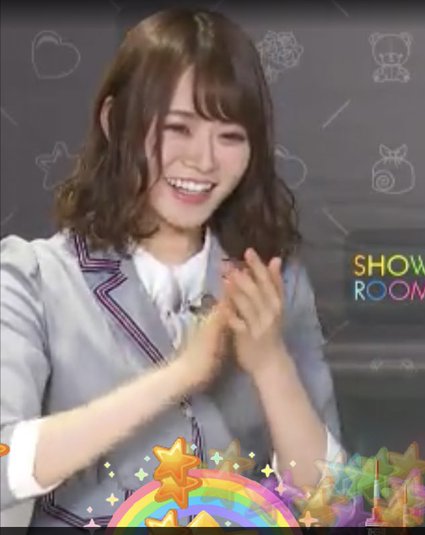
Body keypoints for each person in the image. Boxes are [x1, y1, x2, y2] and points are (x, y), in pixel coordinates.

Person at [0, 8, 342, 528]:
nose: (203, 161)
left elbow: (332, 505)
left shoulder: (274, 283)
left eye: (230, 136)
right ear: (115, 122)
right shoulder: (35, 278)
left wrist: (271, 364)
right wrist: (179, 375)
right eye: (178, 128)